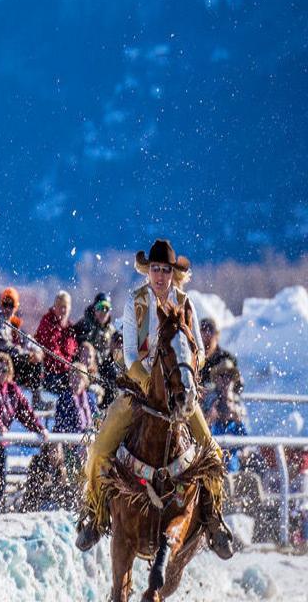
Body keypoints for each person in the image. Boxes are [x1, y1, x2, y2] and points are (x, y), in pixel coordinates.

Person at [75, 239, 234, 559]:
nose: (160, 275)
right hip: (138, 392)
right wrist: (150, 381)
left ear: (174, 274)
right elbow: (131, 354)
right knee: (100, 450)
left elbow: (200, 352)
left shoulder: (186, 304)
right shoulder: (135, 302)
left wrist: (185, 373)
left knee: (213, 455)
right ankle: (94, 514)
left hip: (178, 394)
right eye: (155, 270)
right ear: (148, 272)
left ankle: (214, 518)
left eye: (165, 270)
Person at [0, 351, 47, 513]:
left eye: (4, 370)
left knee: (0, 480)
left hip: (1, 442)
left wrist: (39, 428)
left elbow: (25, 412)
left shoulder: (12, 390)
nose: (1, 373)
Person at [35, 290, 78, 394]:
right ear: (54, 307)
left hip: (67, 372)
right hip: (50, 373)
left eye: (65, 307)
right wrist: (70, 367)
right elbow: (52, 352)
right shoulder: (47, 322)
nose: (63, 310)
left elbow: (74, 351)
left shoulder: (69, 328)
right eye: (60, 306)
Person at [199, 318, 244, 396]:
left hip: (221, 403)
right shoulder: (194, 360)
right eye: (203, 330)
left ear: (217, 335)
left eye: (210, 330)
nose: (207, 334)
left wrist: (227, 383)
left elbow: (239, 388)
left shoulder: (227, 358)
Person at [74, 292, 116, 370]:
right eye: (99, 308)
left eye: (106, 309)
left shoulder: (111, 331)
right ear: (94, 309)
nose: (103, 312)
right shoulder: (84, 325)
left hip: (102, 368)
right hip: (82, 367)